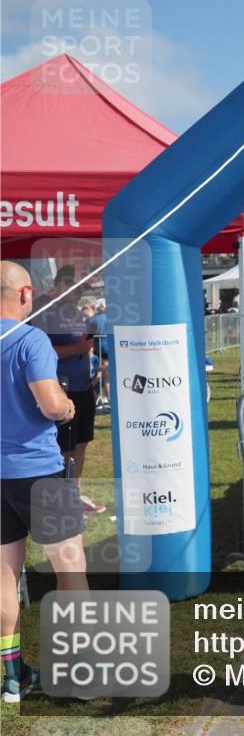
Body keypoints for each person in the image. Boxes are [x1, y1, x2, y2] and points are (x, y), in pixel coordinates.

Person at [1, 261, 89, 702]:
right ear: (25, 293)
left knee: (3, 579)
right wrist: (68, 408)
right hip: (37, 470)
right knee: (71, 572)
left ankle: (11, 678)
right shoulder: (30, 338)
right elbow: (51, 404)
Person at [33, 265, 104, 513]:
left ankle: (73, 495)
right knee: (62, 447)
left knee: (81, 444)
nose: (81, 295)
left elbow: (78, 344)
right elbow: (39, 352)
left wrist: (86, 347)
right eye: (78, 289)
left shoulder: (73, 311)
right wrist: (77, 350)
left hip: (83, 386)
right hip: (61, 390)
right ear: (62, 284)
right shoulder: (43, 309)